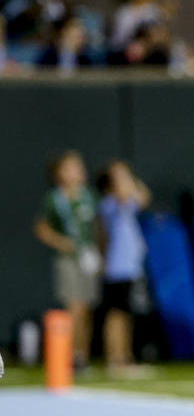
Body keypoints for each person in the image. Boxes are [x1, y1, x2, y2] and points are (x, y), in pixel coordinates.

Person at [33, 150, 100, 369]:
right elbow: (41, 228)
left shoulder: (89, 195)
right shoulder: (54, 199)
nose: (77, 171)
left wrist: (99, 252)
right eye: (70, 167)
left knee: (87, 308)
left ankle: (82, 356)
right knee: (74, 307)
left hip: (88, 258)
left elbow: (97, 227)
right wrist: (61, 242)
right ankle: (70, 355)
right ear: (59, 173)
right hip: (68, 259)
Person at [96, 160, 150, 374]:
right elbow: (126, 194)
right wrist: (121, 177)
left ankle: (125, 358)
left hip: (131, 267)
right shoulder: (109, 203)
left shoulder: (126, 203)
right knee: (116, 314)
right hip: (117, 268)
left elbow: (144, 198)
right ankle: (115, 359)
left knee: (127, 314)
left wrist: (129, 177)